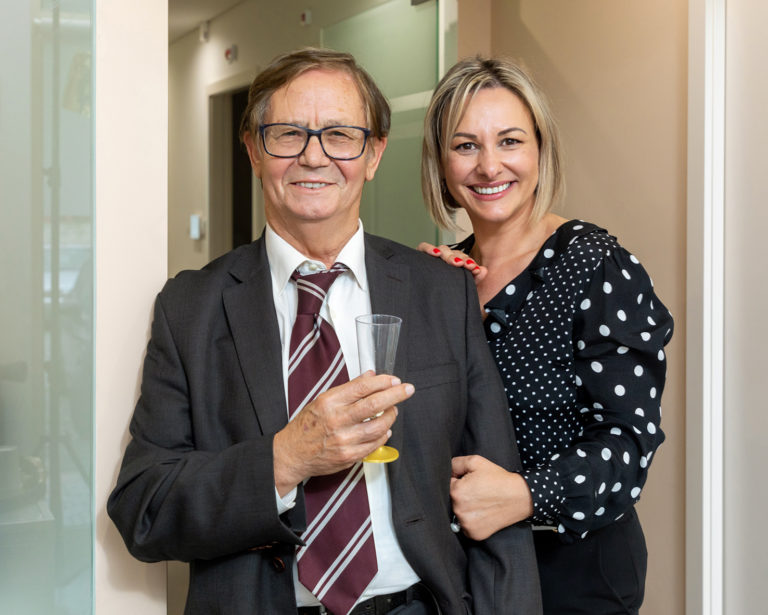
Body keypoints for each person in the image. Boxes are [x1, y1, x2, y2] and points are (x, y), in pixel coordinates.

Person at [108, 48, 541, 615]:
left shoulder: (442, 290)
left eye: (340, 135)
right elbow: (144, 509)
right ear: (253, 150)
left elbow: (497, 505)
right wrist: (284, 459)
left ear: (374, 153)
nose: (314, 157)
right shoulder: (190, 308)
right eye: (288, 134)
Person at [418, 56, 674, 615]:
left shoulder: (596, 266)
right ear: (440, 162)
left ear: (540, 148)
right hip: (465, 571)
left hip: (572, 572)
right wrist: (422, 307)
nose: (489, 166)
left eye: (509, 141)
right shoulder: (443, 277)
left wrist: (526, 494)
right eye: (465, 146)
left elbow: (629, 442)